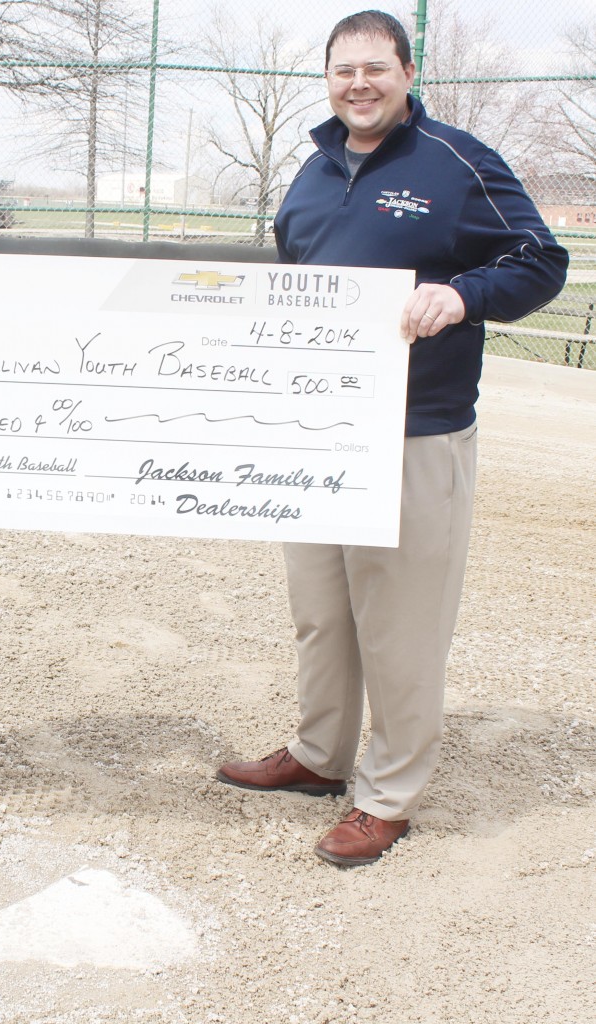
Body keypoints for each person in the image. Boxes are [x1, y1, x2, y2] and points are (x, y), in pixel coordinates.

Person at [216, 10, 568, 866]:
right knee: (323, 612)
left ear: (408, 73)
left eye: (376, 68)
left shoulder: (457, 163)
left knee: (401, 622)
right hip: (316, 429)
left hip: (415, 432)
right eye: (344, 70)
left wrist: (464, 296)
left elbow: (540, 258)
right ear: (328, 78)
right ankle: (319, 754)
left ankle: (389, 792)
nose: (359, 84)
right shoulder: (312, 170)